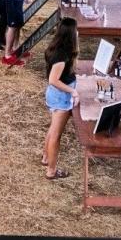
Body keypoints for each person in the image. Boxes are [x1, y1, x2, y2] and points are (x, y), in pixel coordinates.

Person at [43, 17, 79, 180]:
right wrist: (73, 91)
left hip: (54, 95)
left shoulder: (56, 48)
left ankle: (45, 158)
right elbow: (53, 79)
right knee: (56, 135)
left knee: (53, 129)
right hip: (60, 97)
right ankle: (51, 170)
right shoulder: (62, 55)